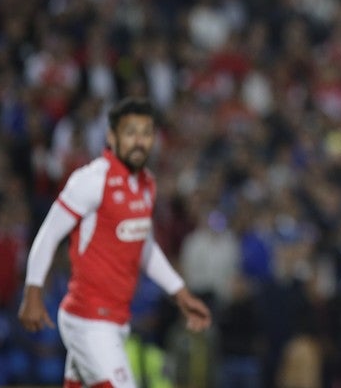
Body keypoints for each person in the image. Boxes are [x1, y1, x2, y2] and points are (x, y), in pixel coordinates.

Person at [17, 97, 212, 388]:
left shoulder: (146, 184)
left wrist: (180, 293)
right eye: (131, 132)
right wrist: (33, 292)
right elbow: (49, 234)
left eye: (146, 133)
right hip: (89, 319)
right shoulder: (91, 180)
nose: (139, 141)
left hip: (116, 319)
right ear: (111, 136)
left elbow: (143, 244)